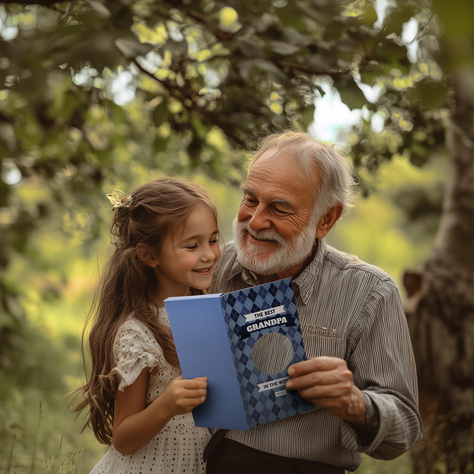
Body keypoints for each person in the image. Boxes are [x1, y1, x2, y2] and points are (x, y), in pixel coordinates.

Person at [205, 131, 423, 473]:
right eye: (250, 199)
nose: (256, 221)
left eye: (279, 208)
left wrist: (356, 404)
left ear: (326, 219)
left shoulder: (370, 291)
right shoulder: (208, 269)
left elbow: (405, 428)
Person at [72, 177, 221, 473]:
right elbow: (123, 438)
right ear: (149, 255)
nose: (209, 254)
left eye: (214, 240)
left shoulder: (209, 310)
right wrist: (166, 404)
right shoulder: (136, 333)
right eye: (192, 245)